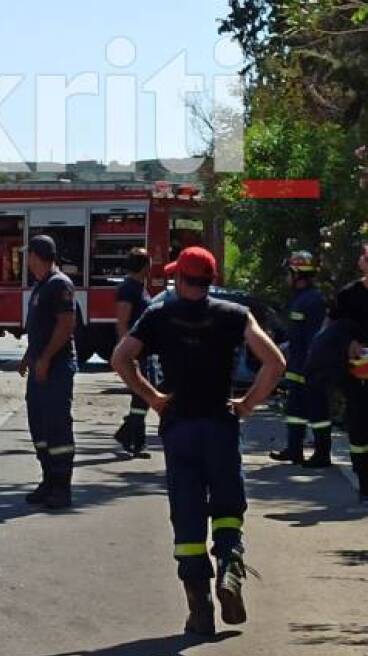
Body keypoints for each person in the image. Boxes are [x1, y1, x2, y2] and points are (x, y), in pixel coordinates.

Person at [112, 246, 285, 636]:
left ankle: (200, 609)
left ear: (178, 278)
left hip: (180, 428)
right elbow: (275, 363)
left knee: (187, 513)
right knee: (227, 506)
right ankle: (230, 568)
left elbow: (121, 358)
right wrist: (247, 404)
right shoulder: (235, 315)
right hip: (220, 425)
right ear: (211, 280)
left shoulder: (159, 314)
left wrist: (153, 398)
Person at [18, 235, 78, 510]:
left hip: (56, 368)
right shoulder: (42, 285)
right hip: (40, 364)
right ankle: (48, 480)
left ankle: (61, 487)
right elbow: (40, 328)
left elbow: (65, 326)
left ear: (37, 256)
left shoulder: (59, 284)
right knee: (39, 426)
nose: (26, 260)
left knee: (56, 426)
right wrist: (28, 357)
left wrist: (45, 359)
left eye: (28, 255)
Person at [270, 251, 332, 467]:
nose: (286, 278)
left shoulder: (313, 301)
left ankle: (322, 454)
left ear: (298, 275)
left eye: (289, 273)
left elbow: (316, 338)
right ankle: (294, 450)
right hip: (297, 367)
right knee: (294, 411)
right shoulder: (299, 299)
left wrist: (312, 367)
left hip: (311, 368)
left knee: (318, 411)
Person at [330, 242, 368, 503]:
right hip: (358, 372)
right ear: (362, 263)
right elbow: (333, 327)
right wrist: (348, 343)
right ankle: (364, 479)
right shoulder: (348, 295)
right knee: (359, 424)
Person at [113, 248, 153, 456]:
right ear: (144, 266)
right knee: (142, 395)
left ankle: (128, 434)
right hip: (135, 351)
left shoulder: (140, 287)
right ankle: (135, 440)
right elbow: (122, 322)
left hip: (145, 350)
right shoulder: (128, 289)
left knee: (144, 394)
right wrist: (126, 353)